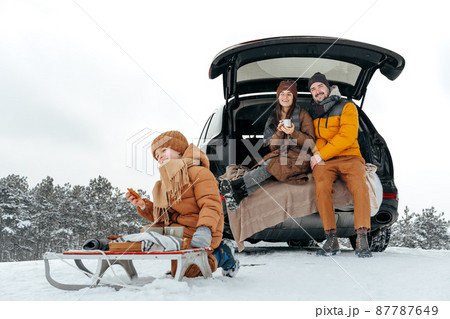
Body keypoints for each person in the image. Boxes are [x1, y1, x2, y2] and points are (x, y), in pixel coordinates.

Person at [126, 130, 240, 277]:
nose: (160, 157)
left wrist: (204, 229)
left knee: (189, 272)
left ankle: (223, 254)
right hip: (179, 232)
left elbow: (211, 205)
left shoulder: (199, 173)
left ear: (179, 150)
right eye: (157, 156)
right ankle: (182, 264)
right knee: (146, 238)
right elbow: (164, 217)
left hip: (202, 230)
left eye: (164, 151)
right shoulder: (166, 183)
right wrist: (143, 205)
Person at [220, 80, 315, 211]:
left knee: (271, 165)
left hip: (300, 158)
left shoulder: (304, 115)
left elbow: (310, 141)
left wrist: (293, 132)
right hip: (279, 156)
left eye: (289, 94)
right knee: (268, 166)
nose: (285, 97)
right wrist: (279, 132)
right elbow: (272, 147)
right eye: (282, 94)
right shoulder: (273, 117)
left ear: (294, 97)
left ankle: (234, 186)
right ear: (278, 97)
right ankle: (237, 196)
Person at [307, 72, 372, 258]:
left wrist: (321, 155)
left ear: (328, 87)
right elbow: (317, 138)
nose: (317, 91)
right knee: (321, 187)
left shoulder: (347, 106)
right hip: (327, 161)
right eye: (313, 89)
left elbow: (347, 137)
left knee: (360, 187)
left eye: (319, 86)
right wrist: (317, 155)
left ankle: (361, 236)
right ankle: (331, 238)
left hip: (350, 156)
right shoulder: (315, 112)